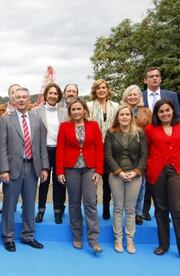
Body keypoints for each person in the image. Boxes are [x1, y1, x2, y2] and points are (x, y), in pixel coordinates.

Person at [0, 87, 49, 252]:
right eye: (18, 97)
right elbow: (2, 147)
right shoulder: (6, 120)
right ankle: (8, 237)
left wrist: (44, 167)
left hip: (32, 167)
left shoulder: (36, 120)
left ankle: (28, 236)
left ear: (29, 100)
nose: (21, 100)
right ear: (13, 100)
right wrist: (4, 169)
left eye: (24, 97)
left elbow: (42, 145)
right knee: (9, 204)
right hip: (13, 168)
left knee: (29, 204)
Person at [145, 99, 180, 263]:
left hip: (178, 171)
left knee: (178, 210)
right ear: (156, 114)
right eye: (161, 111)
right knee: (160, 209)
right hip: (157, 170)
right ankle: (163, 245)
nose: (165, 114)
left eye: (167, 110)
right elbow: (147, 148)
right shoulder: (150, 129)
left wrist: (177, 159)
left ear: (173, 111)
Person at [56, 97, 104, 254]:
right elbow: (60, 150)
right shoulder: (64, 127)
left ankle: (93, 240)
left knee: (90, 203)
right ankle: (77, 237)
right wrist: (59, 171)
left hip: (90, 168)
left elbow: (99, 149)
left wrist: (99, 171)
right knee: (74, 203)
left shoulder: (94, 125)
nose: (76, 112)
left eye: (79, 109)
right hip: (71, 169)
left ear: (84, 110)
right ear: (70, 112)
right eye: (73, 109)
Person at [104, 105, 147, 254]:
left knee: (130, 209)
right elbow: (108, 155)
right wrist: (119, 172)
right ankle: (118, 238)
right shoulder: (110, 133)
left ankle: (129, 239)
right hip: (116, 174)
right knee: (117, 208)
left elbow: (144, 155)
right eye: (121, 114)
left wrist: (136, 172)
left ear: (131, 116)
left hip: (134, 175)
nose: (124, 117)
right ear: (117, 117)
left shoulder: (139, 133)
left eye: (127, 114)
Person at [142, 66, 180, 221]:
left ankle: (165, 210)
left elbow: (177, 116)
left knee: (164, 177)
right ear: (145, 80)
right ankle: (144, 210)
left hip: (166, 142)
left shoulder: (171, 95)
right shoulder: (140, 96)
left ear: (161, 78)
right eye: (151, 76)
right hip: (146, 140)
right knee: (147, 175)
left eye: (157, 76)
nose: (154, 78)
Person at [32, 84, 67, 224]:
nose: (53, 96)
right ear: (45, 95)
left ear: (59, 96)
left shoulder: (65, 112)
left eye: (55, 93)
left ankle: (58, 211)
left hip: (60, 150)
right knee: (44, 181)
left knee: (60, 182)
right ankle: (41, 210)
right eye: (50, 93)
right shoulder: (36, 112)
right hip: (44, 150)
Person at [87, 79, 119, 220]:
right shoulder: (89, 106)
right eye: (98, 88)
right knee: (92, 179)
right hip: (93, 148)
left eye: (104, 87)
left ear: (107, 89)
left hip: (111, 147)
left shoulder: (116, 105)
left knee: (108, 180)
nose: (101, 90)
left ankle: (106, 207)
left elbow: (118, 125)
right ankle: (92, 206)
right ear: (95, 90)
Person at [121, 85, 152, 225]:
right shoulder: (120, 110)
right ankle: (126, 211)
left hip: (141, 151)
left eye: (135, 94)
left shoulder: (147, 111)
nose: (132, 97)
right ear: (125, 96)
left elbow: (151, 131)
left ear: (140, 96)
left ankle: (138, 212)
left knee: (141, 184)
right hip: (123, 151)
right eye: (130, 94)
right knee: (122, 183)